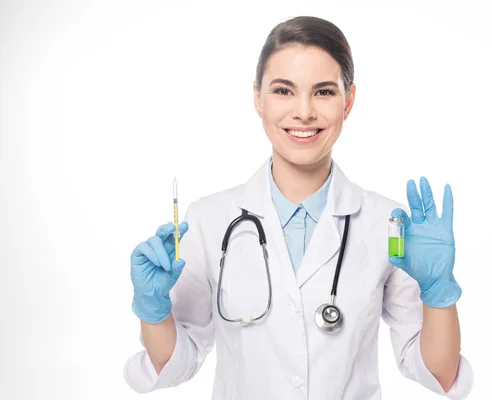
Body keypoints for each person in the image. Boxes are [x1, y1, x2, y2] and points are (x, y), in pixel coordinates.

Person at [123, 15, 473, 400]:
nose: (304, 112)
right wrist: (153, 309)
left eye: (323, 92)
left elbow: (438, 374)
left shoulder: (388, 225)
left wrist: (438, 293)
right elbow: (178, 362)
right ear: (257, 98)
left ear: (349, 100)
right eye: (283, 91)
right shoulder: (208, 220)